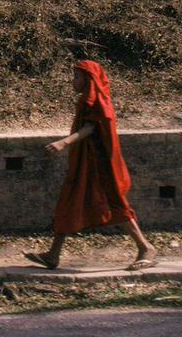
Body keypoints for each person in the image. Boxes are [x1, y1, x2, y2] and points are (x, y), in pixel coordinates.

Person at [25, 59, 157, 271]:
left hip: (99, 166)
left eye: (77, 76)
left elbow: (91, 128)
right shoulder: (86, 99)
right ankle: (53, 255)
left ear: (89, 79)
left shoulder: (97, 100)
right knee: (68, 202)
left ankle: (145, 247)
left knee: (115, 204)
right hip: (84, 163)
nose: (73, 81)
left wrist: (63, 143)